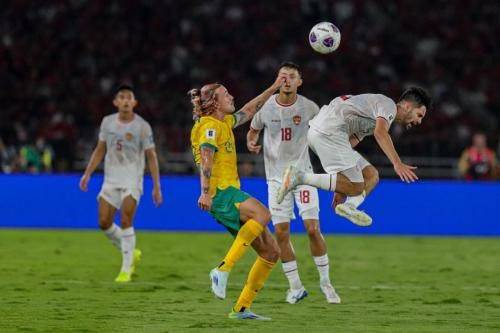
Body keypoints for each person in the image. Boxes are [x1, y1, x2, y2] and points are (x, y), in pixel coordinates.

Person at [190, 74, 285, 320]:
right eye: (226, 94)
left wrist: (274, 87)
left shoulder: (224, 123)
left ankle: (241, 308)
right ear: (214, 102)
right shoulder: (210, 126)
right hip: (219, 192)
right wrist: (205, 192)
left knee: (271, 252)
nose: (232, 96)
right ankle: (222, 269)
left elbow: (249, 109)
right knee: (263, 213)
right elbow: (206, 158)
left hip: (228, 192)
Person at [247, 62, 340, 304]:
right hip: (276, 180)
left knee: (312, 228)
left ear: (300, 81)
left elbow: (325, 135)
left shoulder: (309, 108)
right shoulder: (266, 107)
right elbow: (253, 128)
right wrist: (251, 141)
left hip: (303, 177)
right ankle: (295, 286)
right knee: (281, 232)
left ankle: (325, 282)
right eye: (282, 76)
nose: (286, 80)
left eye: (291, 76)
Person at [277, 87, 431, 226]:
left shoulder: (373, 112)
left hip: (327, 133)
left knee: (371, 175)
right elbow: (380, 133)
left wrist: (341, 187)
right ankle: (298, 177)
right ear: (407, 106)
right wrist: (397, 163)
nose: (419, 121)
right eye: (419, 115)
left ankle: (350, 206)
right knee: (357, 186)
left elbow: (351, 142)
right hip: (329, 131)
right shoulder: (388, 106)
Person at [79, 85, 163, 283]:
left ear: (134, 103)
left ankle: (126, 269)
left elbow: (151, 156)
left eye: (129, 98)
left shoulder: (142, 126)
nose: (125, 101)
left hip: (132, 179)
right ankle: (131, 251)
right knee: (104, 222)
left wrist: (156, 186)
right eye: (122, 97)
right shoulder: (107, 122)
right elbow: (100, 149)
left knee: (126, 220)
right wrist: (87, 174)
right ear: (116, 102)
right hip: (111, 179)